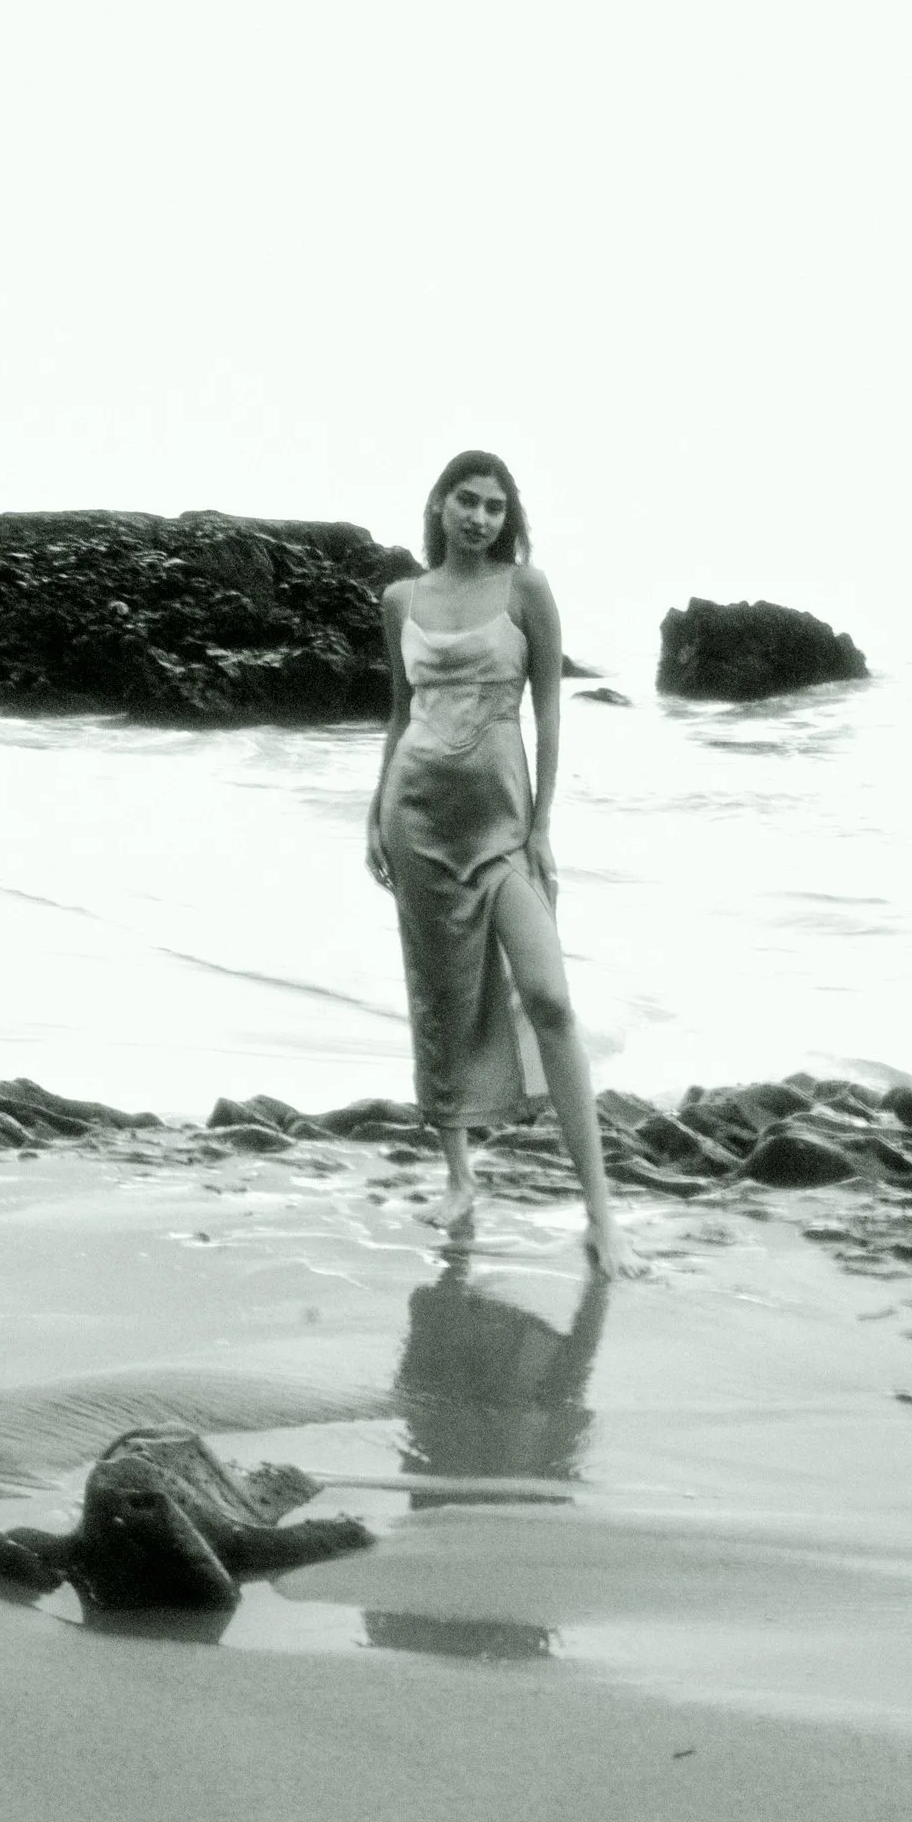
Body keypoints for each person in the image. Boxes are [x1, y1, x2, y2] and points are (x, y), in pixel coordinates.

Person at [365, 448, 635, 1271]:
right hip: (417, 819)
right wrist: (373, 811)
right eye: (465, 501)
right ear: (440, 506)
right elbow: (397, 713)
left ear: (506, 516)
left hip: (504, 830)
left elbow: (550, 713)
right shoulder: (401, 598)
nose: (479, 516)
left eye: (493, 505)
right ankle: (458, 1178)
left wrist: (543, 825)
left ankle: (602, 1218)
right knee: (437, 994)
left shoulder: (528, 590)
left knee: (550, 999)